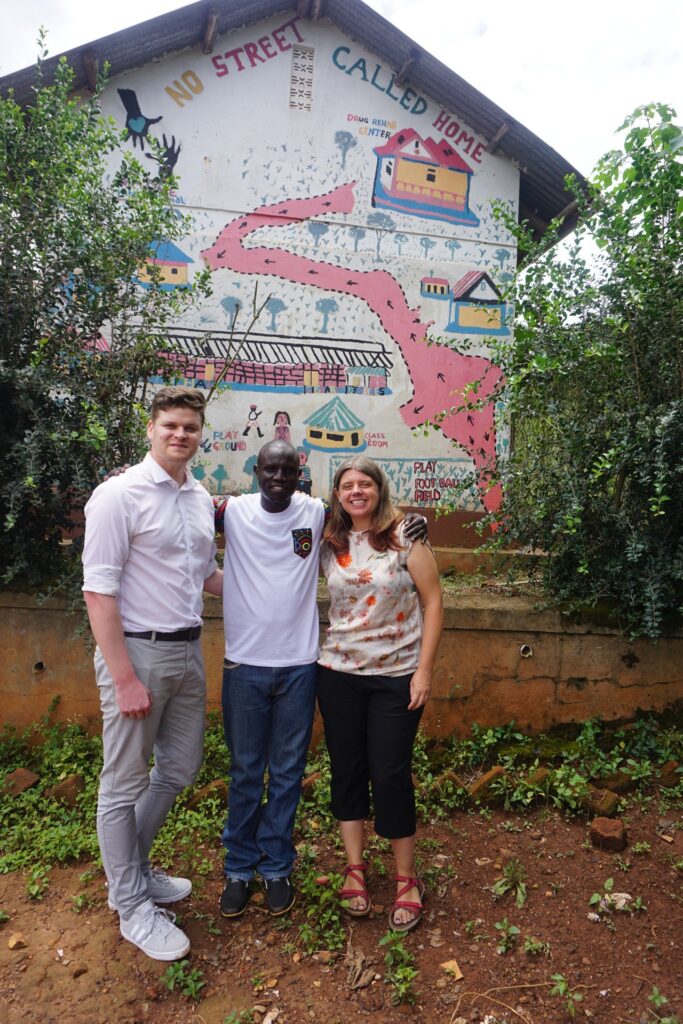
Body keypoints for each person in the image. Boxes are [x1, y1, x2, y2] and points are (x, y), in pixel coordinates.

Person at [218, 440, 428, 921]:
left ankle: (278, 869)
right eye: (269, 469)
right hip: (262, 667)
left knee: (293, 773)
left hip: (305, 667)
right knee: (250, 772)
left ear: (300, 475)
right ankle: (239, 869)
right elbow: (180, 512)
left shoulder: (317, 517)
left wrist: (420, 523)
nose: (277, 477)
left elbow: (418, 579)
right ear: (256, 470)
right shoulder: (238, 512)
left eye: (286, 470)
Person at [82, 386, 223, 961]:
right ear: (150, 428)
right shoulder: (119, 495)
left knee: (180, 768)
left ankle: (134, 870)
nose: (179, 435)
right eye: (170, 425)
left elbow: (208, 576)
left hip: (188, 652)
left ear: (199, 433)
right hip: (137, 654)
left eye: (189, 427)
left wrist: (280, 588)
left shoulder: (198, 497)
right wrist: (123, 678)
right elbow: (99, 590)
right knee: (123, 784)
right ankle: (132, 905)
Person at [316, 456, 443, 933]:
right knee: (346, 769)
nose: (356, 491)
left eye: (364, 484)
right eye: (347, 485)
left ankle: (407, 879)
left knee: (390, 774)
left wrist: (424, 671)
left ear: (378, 489)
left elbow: (433, 602)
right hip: (338, 673)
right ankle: (355, 868)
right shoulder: (327, 541)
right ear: (337, 495)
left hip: (397, 676)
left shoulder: (407, 536)